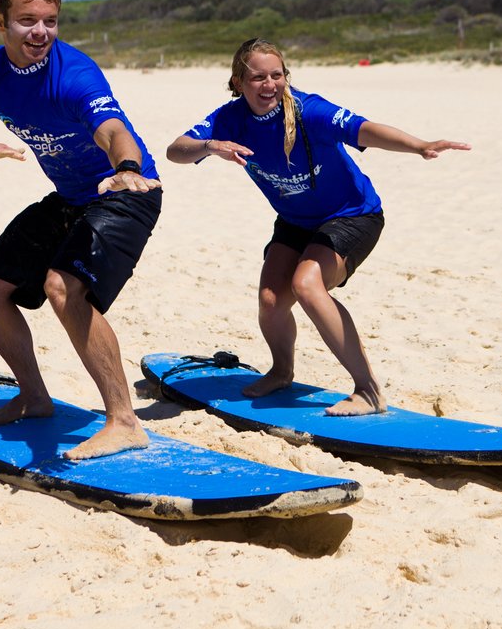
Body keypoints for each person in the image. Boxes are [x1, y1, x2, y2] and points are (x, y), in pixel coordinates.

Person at [0, 0, 162, 460]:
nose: (40, 32)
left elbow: (112, 129)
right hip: (72, 196)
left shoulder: (75, 73)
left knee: (63, 287)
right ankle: (33, 397)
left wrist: (127, 166)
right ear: (1, 23)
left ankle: (125, 421)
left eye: (50, 21)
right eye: (27, 21)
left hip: (126, 191)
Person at [166, 39, 470, 416]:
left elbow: (365, 130)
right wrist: (211, 147)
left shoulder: (309, 111)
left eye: (276, 75)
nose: (269, 84)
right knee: (271, 301)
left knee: (307, 285)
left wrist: (419, 145)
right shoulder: (231, 120)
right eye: (258, 77)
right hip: (296, 221)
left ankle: (369, 390)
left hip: (353, 214)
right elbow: (176, 150)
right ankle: (281, 371)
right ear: (238, 82)